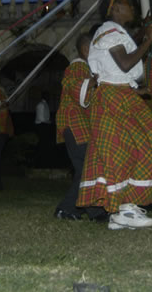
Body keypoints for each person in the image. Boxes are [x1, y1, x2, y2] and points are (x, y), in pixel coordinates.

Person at [77, 0, 152, 230]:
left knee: (136, 148)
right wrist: (148, 39)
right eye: (127, 4)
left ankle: (122, 210)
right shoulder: (107, 31)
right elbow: (124, 63)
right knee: (130, 148)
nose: (132, 8)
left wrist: (136, 90)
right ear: (115, 9)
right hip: (114, 100)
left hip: (123, 96)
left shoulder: (115, 33)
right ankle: (124, 209)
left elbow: (117, 70)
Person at [54, 33, 106, 221]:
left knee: (87, 168)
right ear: (86, 50)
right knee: (86, 168)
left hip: (80, 125)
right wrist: (93, 81)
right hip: (74, 124)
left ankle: (92, 211)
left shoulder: (84, 69)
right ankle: (68, 208)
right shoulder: (77, 66)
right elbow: (76, 88)